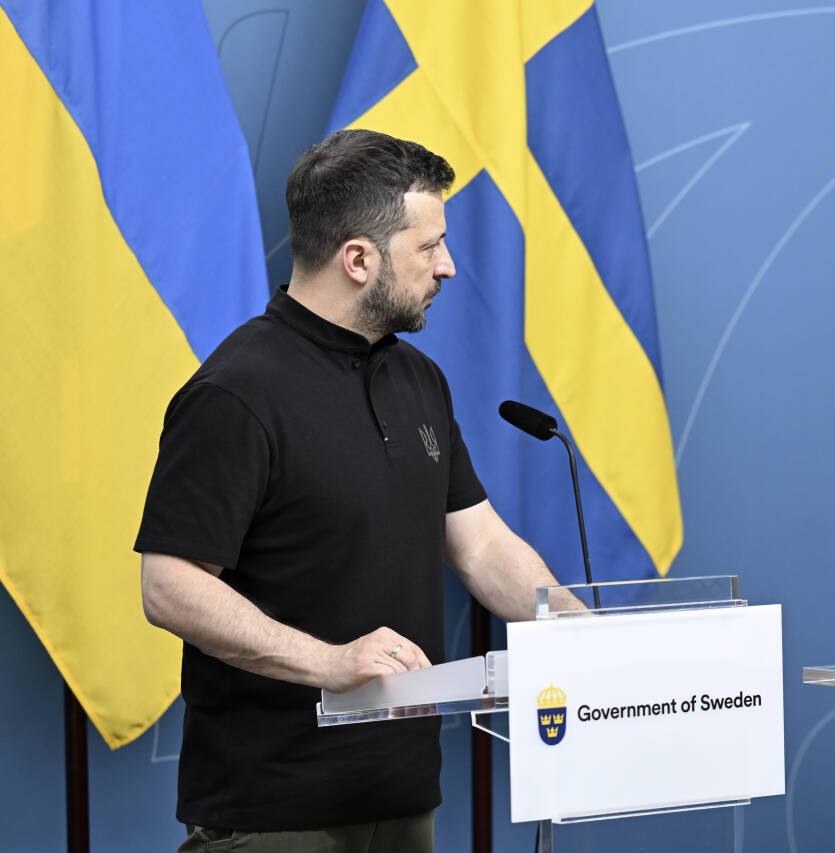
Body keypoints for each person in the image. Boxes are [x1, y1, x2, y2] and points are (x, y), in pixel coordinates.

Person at [136, 128, 583, 852]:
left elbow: (479, 543)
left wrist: (572, 624)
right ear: (358, 259)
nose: (449, 267)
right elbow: (169, 585)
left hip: (404, 801)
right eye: (429, 247)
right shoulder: (236, 392)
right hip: (275, 815)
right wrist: (332, 662)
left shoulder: (419, 380)